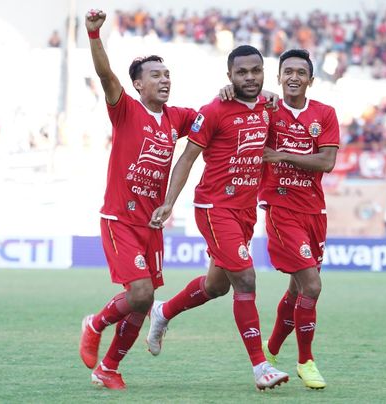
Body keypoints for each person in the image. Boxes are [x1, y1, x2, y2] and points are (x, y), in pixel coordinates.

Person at [146, 45, 290, 391]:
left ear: (263, 73)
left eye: (255, 71)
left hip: (244, 211)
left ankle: (163, 312)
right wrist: (168, 203)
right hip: (214, 208)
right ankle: (260, 368)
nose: (250, 77)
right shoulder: (213, 111)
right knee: (246, 281)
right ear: (230, 76)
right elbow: (187, 158)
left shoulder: (270, 107)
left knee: (217, 286)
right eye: (242, 72)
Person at [77, 9, 198, 390]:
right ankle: (95, 324)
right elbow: (105, 75)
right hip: (120, 220)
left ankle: (108, 368)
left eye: (167, 75)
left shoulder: (175, 118)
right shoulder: (125, 108)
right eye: (156, 76)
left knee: (143, 302)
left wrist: (232, 94)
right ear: (138, 84)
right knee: (141, 293)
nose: (164, 81)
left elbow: (210, 120)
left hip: (152, 225)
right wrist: (94, 36)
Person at [257, 49, 339, 389]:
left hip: (314, 212)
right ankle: (306, 361)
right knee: (313, 286)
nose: (293, 77)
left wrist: (281, 155)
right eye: (287, 71)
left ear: (310, 79)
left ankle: (271, 349)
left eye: (300, 72)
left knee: (296, 289)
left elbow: (326, 162)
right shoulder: (268, 110)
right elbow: (238, 101)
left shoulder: (325, 113)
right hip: (281, 209)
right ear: (278, 77)